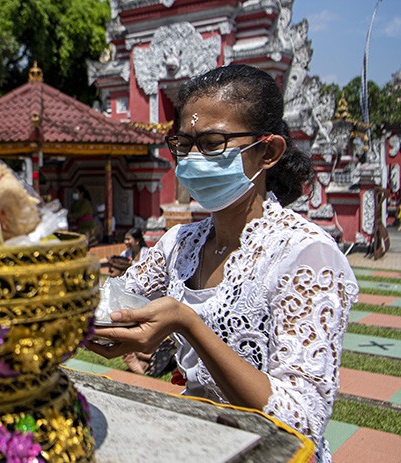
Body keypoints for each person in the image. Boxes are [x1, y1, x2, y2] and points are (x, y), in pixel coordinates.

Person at [88, 64, 357, 463]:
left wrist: (187, 323)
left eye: (212, 143)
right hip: (201, 441)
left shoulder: (306, 255)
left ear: (268, 151)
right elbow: (115, 302)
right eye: (184, 143)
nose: (193, 159)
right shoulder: (181, 243)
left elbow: (302, 420)